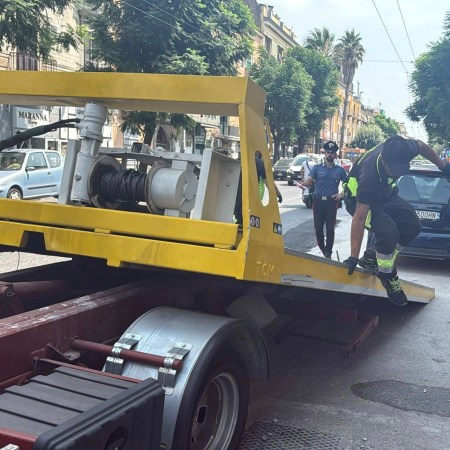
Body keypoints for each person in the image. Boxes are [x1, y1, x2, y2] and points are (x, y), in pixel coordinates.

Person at [342, 135, 450, 306]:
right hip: (359, 201)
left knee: (413, 226)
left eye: (402, 169)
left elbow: (422, 146)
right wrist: (353, 256)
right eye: (394, 171)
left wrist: (443, 166)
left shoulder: (405, 148)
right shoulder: (368, 176)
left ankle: (371, 257)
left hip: (386, 194)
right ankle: (387, 276)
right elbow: (360, 218)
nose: (398, 173)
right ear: (383, 161)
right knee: (388, 232)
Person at [299, 141, 347, 258]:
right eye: (328, 152)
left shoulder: (340, 170)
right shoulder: (317, 168)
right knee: (318, 228)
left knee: (330, 228)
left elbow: (348, 184)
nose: (329, 154)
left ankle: (328, 252)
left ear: (335, 155)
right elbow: (309, 181)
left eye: (332, 152)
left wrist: (342, 194)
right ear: (324, 154)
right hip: (318, 202)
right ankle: (323, 249)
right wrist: (304, 183)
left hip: (331, 203)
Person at [234, 151, 282, 225]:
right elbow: (268, 182)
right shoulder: (259, 163)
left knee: (239, 218)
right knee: (250, 219)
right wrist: (278, 194)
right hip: (251, 196)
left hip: (235, 195)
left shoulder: (238, 160)